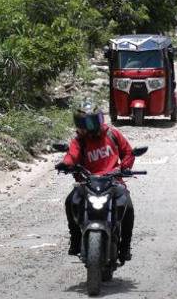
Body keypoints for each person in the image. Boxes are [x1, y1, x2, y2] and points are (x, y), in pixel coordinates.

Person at [57, 102, 136, 261]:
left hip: (113, 182)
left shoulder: (113, 134)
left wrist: (124, 167)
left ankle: (125, 246)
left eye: (94, 121)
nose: (90, 127)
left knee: (128, 207)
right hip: (87, 183)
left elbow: (128, 152)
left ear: (101, 120)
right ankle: (76, 238)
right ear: (79, 125)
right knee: (69, 201)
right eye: (85, 124)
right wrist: (66, 164)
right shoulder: (79, 141)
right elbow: (72, 155)